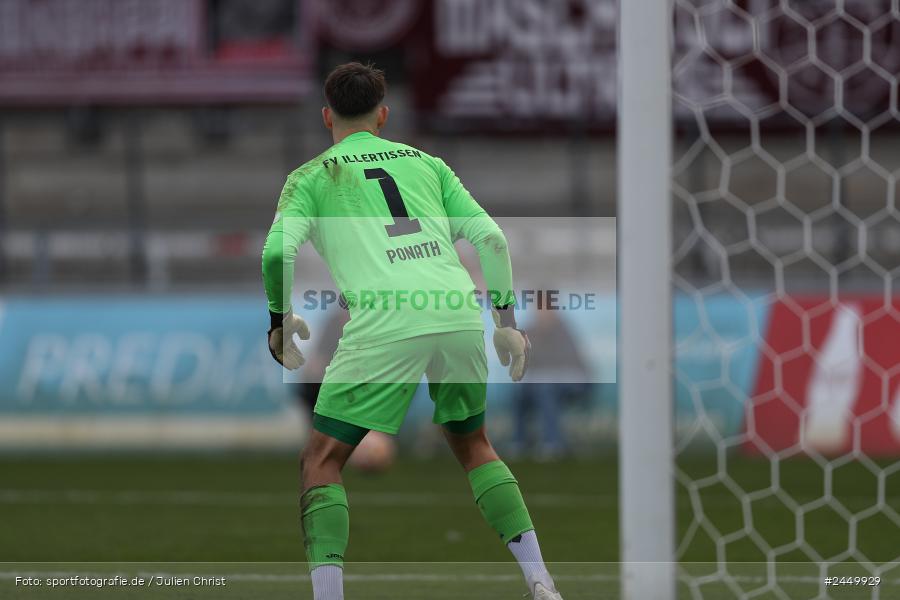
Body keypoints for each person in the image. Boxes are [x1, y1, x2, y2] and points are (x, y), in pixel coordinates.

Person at [261, 62, 562, 600]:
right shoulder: (428, 165)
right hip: (453, 311)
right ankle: (540, 580)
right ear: (383, 114)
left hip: (383, 320)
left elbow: (278, 251)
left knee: (323, 459)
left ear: (327, 115)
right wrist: (507, 324)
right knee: (474, 446)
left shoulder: (310, 177)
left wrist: (279, 319)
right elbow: (490, 238)